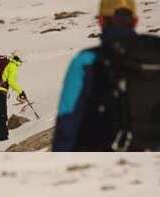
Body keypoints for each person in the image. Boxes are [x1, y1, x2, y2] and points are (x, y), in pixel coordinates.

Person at [53, 0, 160, 151]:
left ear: (101, 21)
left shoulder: (86, 61)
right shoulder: (156, 52)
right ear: (135, 21)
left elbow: (67, 120)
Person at [0, 53, 27, 141]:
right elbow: (11, 81)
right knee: (2, 114)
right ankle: (3, 137)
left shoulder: (5, 64)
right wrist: (20, 91)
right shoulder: (13, 66)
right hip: (0, 92)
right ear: (18, 60)